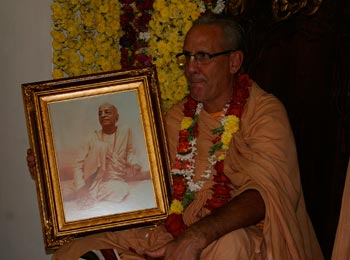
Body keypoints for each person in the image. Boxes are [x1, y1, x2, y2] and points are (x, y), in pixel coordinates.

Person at [27, 13, 323, 259]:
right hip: (176, 229)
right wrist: (51, 170)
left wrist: (197, 235)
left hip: (241, 236)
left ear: (234, 62)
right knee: (74, 249)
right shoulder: (177, 116)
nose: (191, 68)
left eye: (203, 57)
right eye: (188, 57)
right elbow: (142, 179)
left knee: (229, 246)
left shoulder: (265, 113)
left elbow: (262, 196)